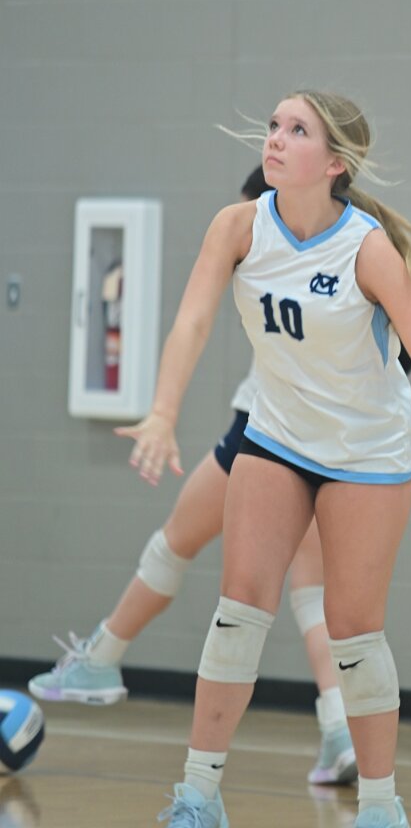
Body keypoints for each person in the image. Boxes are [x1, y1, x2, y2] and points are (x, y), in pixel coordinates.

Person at [119, 90, 411, 828]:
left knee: (354, 632)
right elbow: (191, 323)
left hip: (365, 450)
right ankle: (198, 797)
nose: (275, 138)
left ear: (335, 163)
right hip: (277, 435)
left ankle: (380, 809)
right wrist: (161, 413)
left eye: (297, 130)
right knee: (238, 610)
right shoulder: (238, 226)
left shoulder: (367, 248)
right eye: (275, 126)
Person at [28, 167, 366, 787]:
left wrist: (163, 414)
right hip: (335, 448)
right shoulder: (357, 248)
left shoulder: (275, 251)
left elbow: (193, 323)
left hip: (266, 434)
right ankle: (339, 726)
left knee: (178, 545)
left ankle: (102, 659)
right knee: (312, 596)